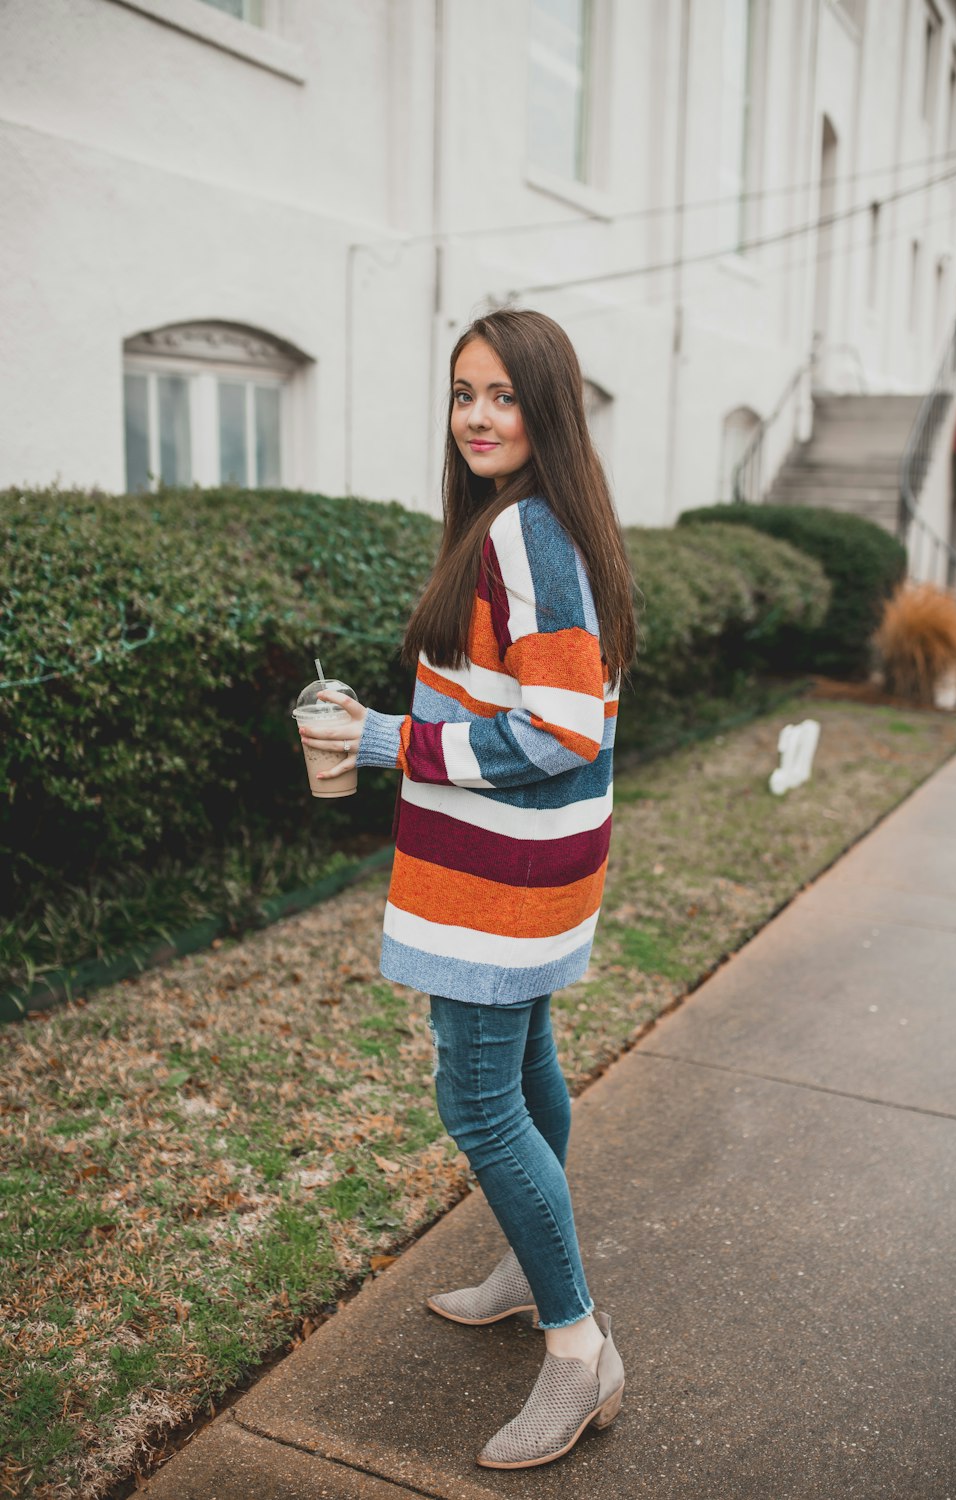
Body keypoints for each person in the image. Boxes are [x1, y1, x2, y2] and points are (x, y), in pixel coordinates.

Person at [298, 307, 636, 1469]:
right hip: (534, 863)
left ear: (547, 410)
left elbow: (560, 728)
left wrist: (393, 742)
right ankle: (526, 1265)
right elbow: (550, 705)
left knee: (478, 1103)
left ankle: (576, 1348)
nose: (479, 416)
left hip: (500, 872)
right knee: (527, 1064)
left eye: (502, 395)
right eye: (462, 394)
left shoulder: (524, 537)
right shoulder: (538, 525)